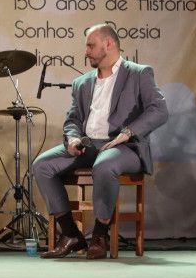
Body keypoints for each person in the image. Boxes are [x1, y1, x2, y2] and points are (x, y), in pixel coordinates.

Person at [32, 23, 167, 259]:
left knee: (103, 166)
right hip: (88, 144)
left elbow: (159, 110)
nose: (86, 51)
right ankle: (71, 234)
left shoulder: (139, 73)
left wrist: (128, 132)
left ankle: (99, 235)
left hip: (125, 146)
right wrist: (73, 138)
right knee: (42, 166)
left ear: (109, 43)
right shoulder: (82, 83)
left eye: (90, 45)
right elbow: (73, 118)